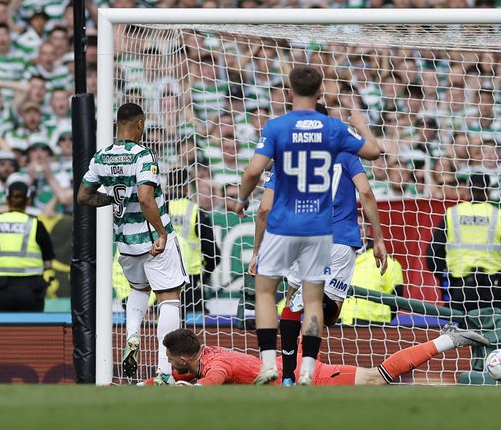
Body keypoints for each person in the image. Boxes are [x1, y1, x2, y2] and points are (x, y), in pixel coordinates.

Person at [234, 64, 381, 385]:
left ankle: (270, 364)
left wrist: (242, 200)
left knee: (266, 294)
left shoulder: (277, 127)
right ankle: (309, 370)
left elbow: (252, 174)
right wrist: (359, 122)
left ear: (289, 91)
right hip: (320, 229)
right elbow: (374, 153)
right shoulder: (333, 130)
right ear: (319, 92)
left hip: (284, 227)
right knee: (314, 300)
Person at [77, 103, 187, 385]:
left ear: (117, 124)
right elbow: (146, 198)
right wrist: (161, 233)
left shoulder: (101, 156)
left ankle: (133, 335)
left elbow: (84, 196)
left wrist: (113, 200)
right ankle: (164, 371)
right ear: (140, 125)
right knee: (169, 298)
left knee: (139, 289)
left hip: (125, 243)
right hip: (151, 241)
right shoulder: (142, 154)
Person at [163, 326, 489, 386]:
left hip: (310, 376)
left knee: (378, 378)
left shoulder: (216, 366)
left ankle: (449, 340)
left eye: (169, 358)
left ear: (182, 357)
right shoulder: (206, 352)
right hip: (287, 364)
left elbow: (207, 384)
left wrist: (178, 388)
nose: (169, 362)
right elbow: (188, 376)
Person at [426, 173, 501, 318]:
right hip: (490, 289)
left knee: (456, 337)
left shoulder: (452, 214)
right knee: (491, 336)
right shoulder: (499, 215)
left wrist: (446, 278)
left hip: (459, 288)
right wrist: (500, 277)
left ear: (468, 190)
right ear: (488, 191)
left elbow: (432, 255)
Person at [0, 181, 54, 312]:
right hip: (30, 289)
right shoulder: (35, 223)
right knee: (32, 331)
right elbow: (48, 263)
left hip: (0, 289)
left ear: (7, 199)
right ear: (28, 200)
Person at [165, 167, 220, 316]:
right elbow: (213, 254)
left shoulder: (156, 209)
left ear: (167, 184)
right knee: (190, 328)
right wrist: (205, 275)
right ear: (186, 186)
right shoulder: (195, 210)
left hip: (159, 277)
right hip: (189, 280)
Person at [338, 217, 404, 325]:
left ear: (368, 230)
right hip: (337, 325)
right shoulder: (333, 258)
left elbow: (396, 299)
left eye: (359, 227)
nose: (355, 231)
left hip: (374, 326)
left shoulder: (387, 261)